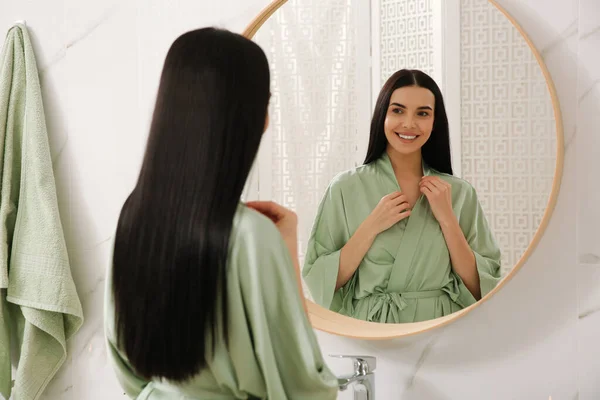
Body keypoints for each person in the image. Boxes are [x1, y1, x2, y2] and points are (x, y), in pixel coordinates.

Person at [104, 27, 338, 399]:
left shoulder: (134, 217)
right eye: (266, 101)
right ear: (249, 117)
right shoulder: (250, 238)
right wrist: (285, 247)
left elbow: (126, 371)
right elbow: (303, 387)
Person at [303, 69, 502, 324]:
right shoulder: (345, 187)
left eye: (422, 113)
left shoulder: (459, 193)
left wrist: (447, 220)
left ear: (434, 121)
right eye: (398, 110)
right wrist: (371, 226)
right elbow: (320, 278)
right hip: (372, 329)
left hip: (439, 330)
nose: (409, 123)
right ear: (382, 115)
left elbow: (482, 286)